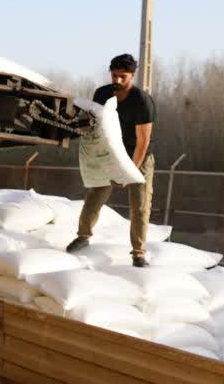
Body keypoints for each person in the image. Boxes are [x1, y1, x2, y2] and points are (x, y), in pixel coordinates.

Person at [67, 53, 157, 267]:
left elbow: (143, 141)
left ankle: (138, 252)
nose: (117, 80)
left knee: (140, 205)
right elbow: (95, 124)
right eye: (114, 75)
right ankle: (83, 236)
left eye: (122, 77)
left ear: (132, 76)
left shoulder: (142, 101)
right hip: (109, 152)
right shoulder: (102, 93)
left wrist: (129, 172)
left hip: (138, 156)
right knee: (95, 195)